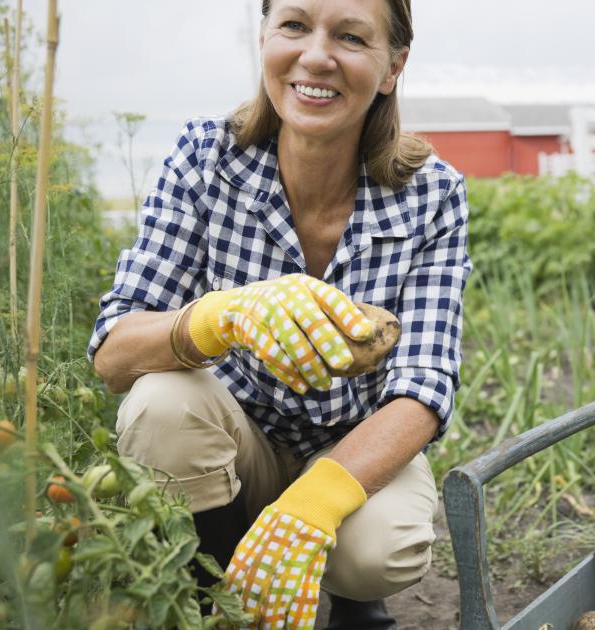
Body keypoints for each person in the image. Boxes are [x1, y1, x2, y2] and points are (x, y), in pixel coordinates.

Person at [87, 0, 471, 627]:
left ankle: (348, 597)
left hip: (353, 444)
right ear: (264, 36)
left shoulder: (432, 193)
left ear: (393, 66)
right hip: (232, 439)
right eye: (294, 25)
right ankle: (219, 585)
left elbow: (423, 387)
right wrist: (219, 317)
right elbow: (115, 353)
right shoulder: (206, 159)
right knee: (159, 404)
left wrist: (316, 502)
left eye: (350, 36)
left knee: (381, 549)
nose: (316, 56)